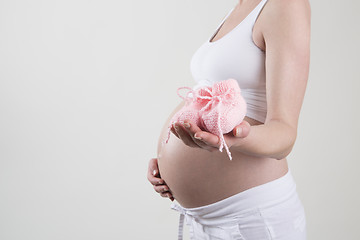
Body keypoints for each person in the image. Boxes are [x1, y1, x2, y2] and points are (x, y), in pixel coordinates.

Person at [147, 0, 311, 239]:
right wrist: (166, 160)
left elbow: (285, 135)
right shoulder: (240, 7)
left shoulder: (286, 5)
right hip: (205, 220)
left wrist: (235, 139)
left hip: (250, 219)